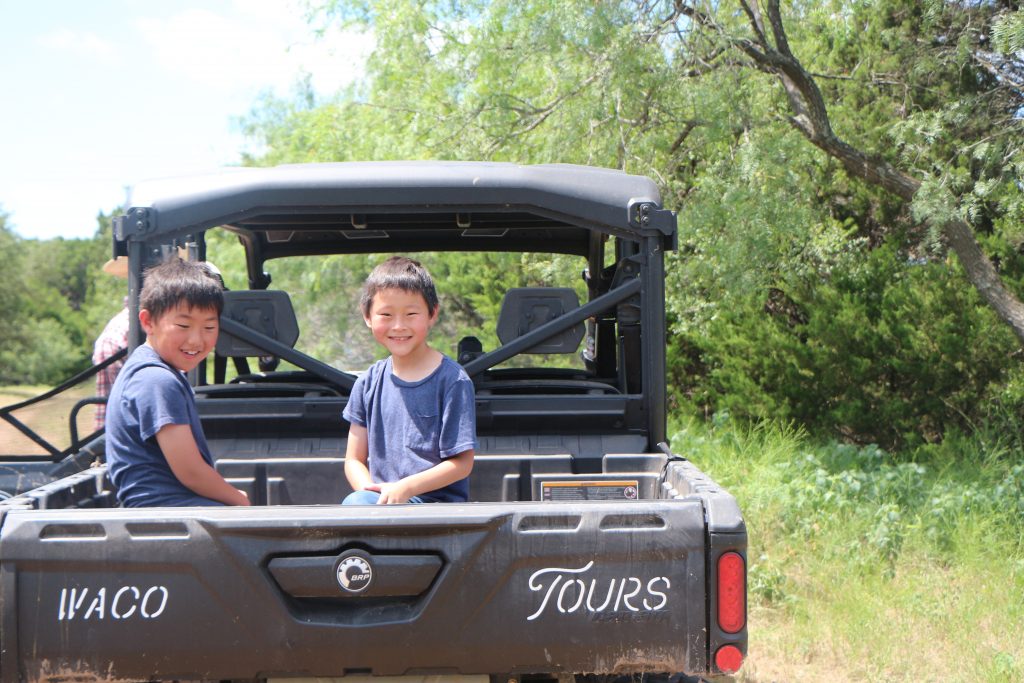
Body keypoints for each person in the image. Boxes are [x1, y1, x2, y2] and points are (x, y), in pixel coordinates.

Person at [105, 258, 250, 507]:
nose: (196, 340)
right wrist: (240, 501)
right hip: (166, 513)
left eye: (209, 326)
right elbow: (191, 472)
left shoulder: (150, 370)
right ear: (148, 321)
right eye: (183, 325)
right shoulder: (157, 380)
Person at [342, 256, 476, 504]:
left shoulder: (453, 380)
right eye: (386, 314)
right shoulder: (368, 382)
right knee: (356, 503)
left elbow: (462, 463)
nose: (399, 326)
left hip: (436, 509)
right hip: (381, 505)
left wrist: (406, 489)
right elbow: (353, 460)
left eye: (411, 313)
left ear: (432, 314)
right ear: (368, 316)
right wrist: (369, 492)